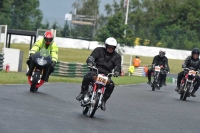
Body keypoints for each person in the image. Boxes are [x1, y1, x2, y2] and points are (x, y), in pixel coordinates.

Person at [76, 37, 121, 111]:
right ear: (106, 45)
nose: (110, 48)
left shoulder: (117, 56)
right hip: (95, 72)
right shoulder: (98, 50)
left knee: (111, 85)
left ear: (115, 48)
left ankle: (103, 101)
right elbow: (92, 57)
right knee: (87, 77)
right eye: (109, 46)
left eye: (112, 47)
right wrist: (90, 62)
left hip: (106, 75)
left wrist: (117, 71)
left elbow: (118, 66)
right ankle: (83, 93)